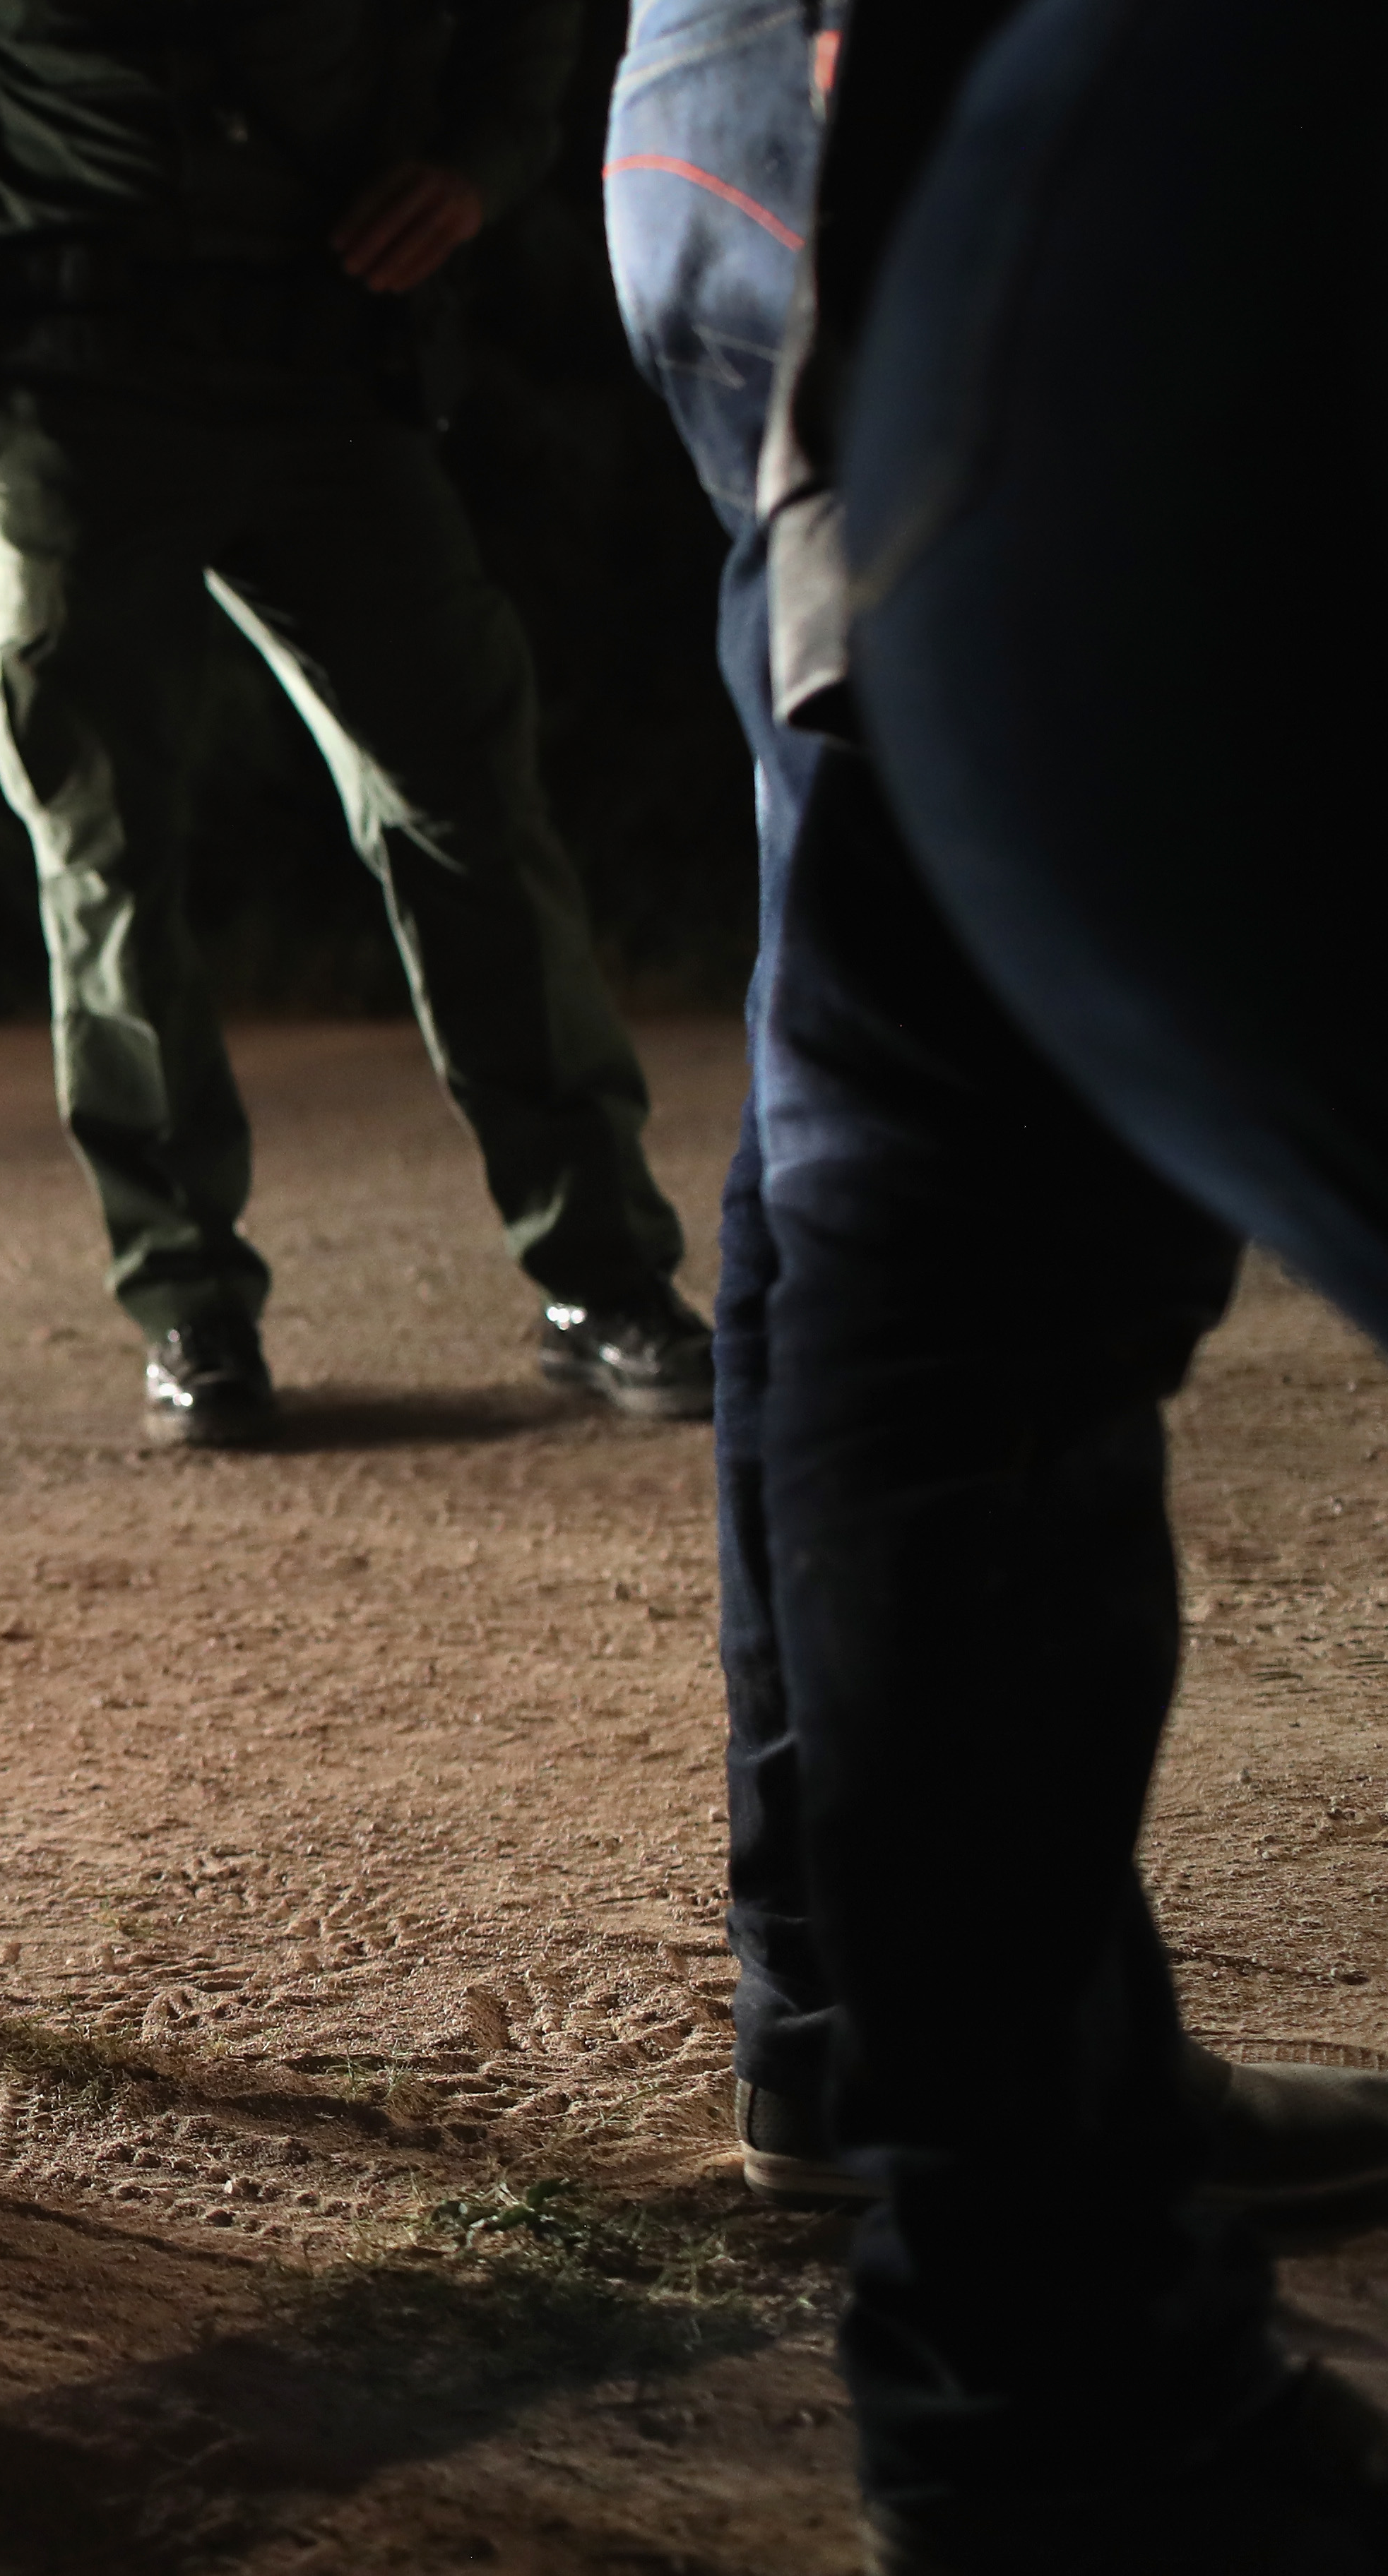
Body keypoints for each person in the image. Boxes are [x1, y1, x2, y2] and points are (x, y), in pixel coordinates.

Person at [603, 0, 1388, 2224]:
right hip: (925, 103)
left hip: (749, 104)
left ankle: (889, 2061)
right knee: (966, 1149)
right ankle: (1025, 2207)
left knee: (871, 1077)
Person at [0, 0, 708, 1445]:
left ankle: (603, 1276)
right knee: (106, 847)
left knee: (465, 800)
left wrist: (475, 168)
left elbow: (530, 30)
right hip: (66, 375)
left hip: (323, 369)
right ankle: (190, 1305)